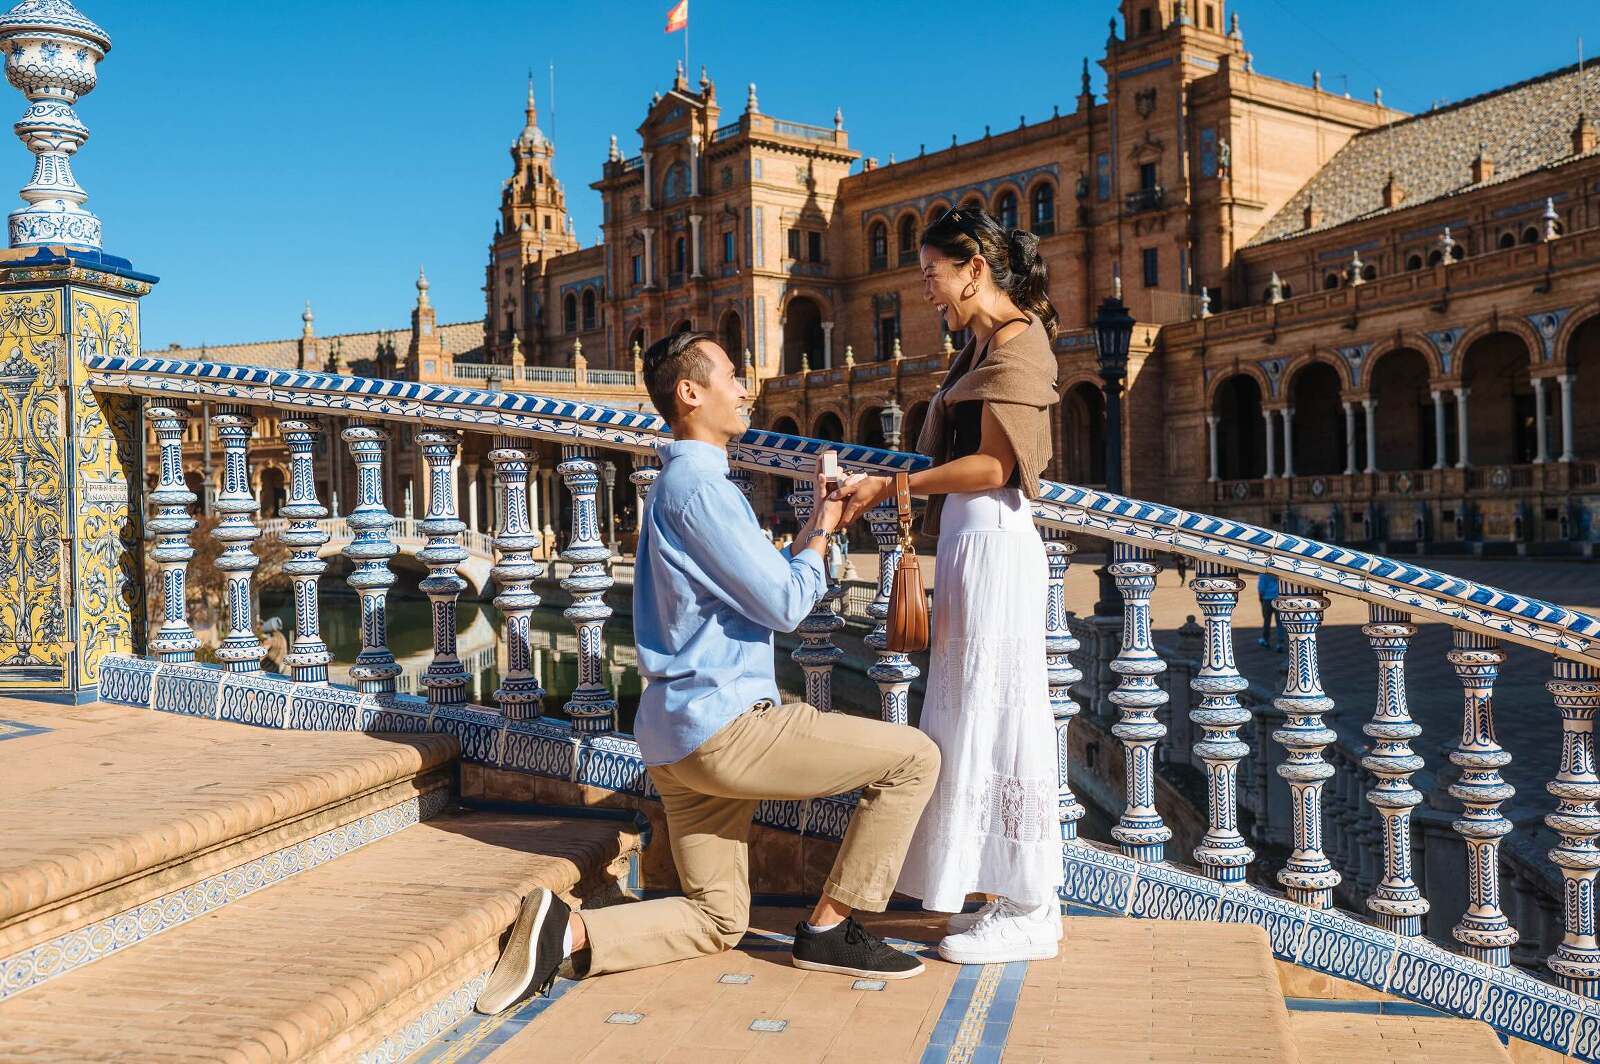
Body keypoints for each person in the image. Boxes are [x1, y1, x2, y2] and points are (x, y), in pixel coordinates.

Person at [474, 331, 941, 1016]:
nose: (746, 386)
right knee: (914, 758)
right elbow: (784, 603)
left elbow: (762, 584)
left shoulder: (682, 486)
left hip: (675, 738)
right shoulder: (701, 489)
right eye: (731, 374)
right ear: (690, 393)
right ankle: (833, 926)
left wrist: (822, 519)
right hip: (726, 730)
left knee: (719, 919)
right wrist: (822, 549)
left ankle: (566, 929)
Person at [838, 206, 1063, 965]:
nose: (926, 291)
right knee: (969, 715)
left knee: (1005, 716)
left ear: (974, 270)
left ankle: (1034, 907)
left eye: (933, 276)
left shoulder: (1022, 343)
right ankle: (997, 893)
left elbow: (998, 469)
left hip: (996, 543)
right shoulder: (981, 343)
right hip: (971, 546)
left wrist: (894, 488)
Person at [1257, 571, 1284, 651]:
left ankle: (1265, 640)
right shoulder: (1279, 572)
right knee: (1280, 622)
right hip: (1278, 598)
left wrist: (1260, 597)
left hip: (1267, 598)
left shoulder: (1263, 574)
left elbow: (1261, 588)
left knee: (1266, 620)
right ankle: (1280, 643)